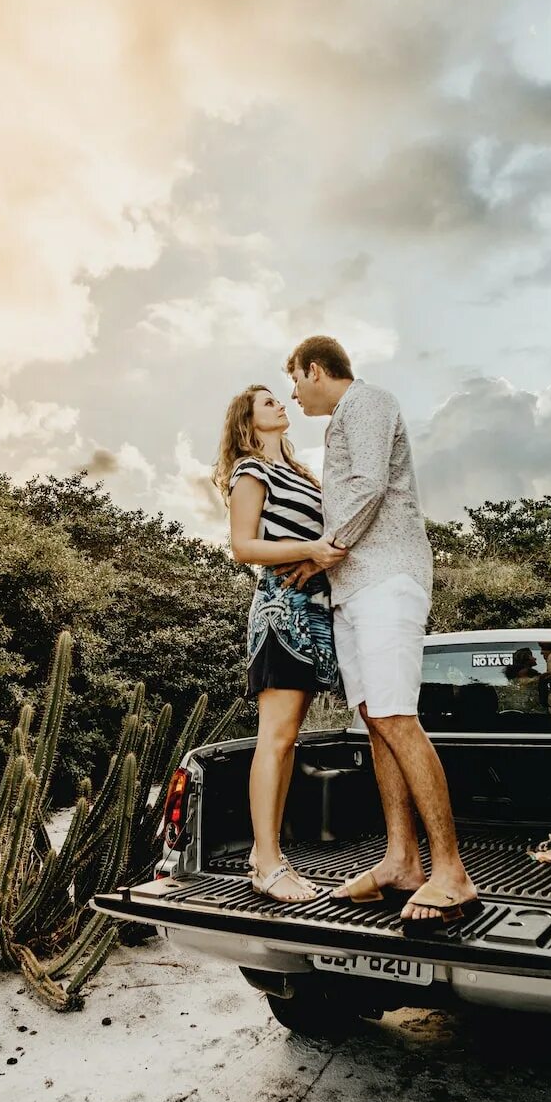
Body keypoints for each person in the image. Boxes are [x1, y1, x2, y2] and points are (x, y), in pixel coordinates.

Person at [280, 336, 481, 926]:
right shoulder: (344, 417)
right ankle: (401, 862)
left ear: (317, 369)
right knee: (375, 721)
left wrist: (326, 550)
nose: (293, 392)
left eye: (295, 378)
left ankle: (452, 872)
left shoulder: (366, 402)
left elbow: (368, 484)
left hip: (387, 579)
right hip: (356, 588)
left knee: (396, 716)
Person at [213, 385, 347, 903]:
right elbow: (243, 546)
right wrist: (312, 547)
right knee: (276, 737)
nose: (280, 405)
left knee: (288, 739)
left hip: (315, 612)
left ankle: (266, 856)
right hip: (280, 611)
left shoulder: (300, 474)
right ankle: (265, 863)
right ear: (247, 421)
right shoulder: (252, 471)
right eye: (268, 402)